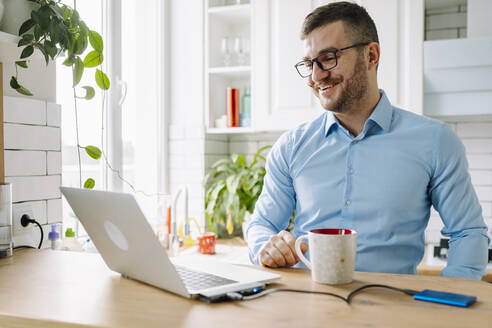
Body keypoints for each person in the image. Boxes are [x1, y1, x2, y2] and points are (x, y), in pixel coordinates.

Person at [246, 1, 490, 279]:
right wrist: (265, 248)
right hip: (308, 310)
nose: (315, 76)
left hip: (392, 312)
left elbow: (468, 233)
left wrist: (449, 300)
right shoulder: (291, 147)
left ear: (371, 55)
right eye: (308, 63)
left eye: (328, 58)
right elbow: (261, 226)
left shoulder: (436, 141)